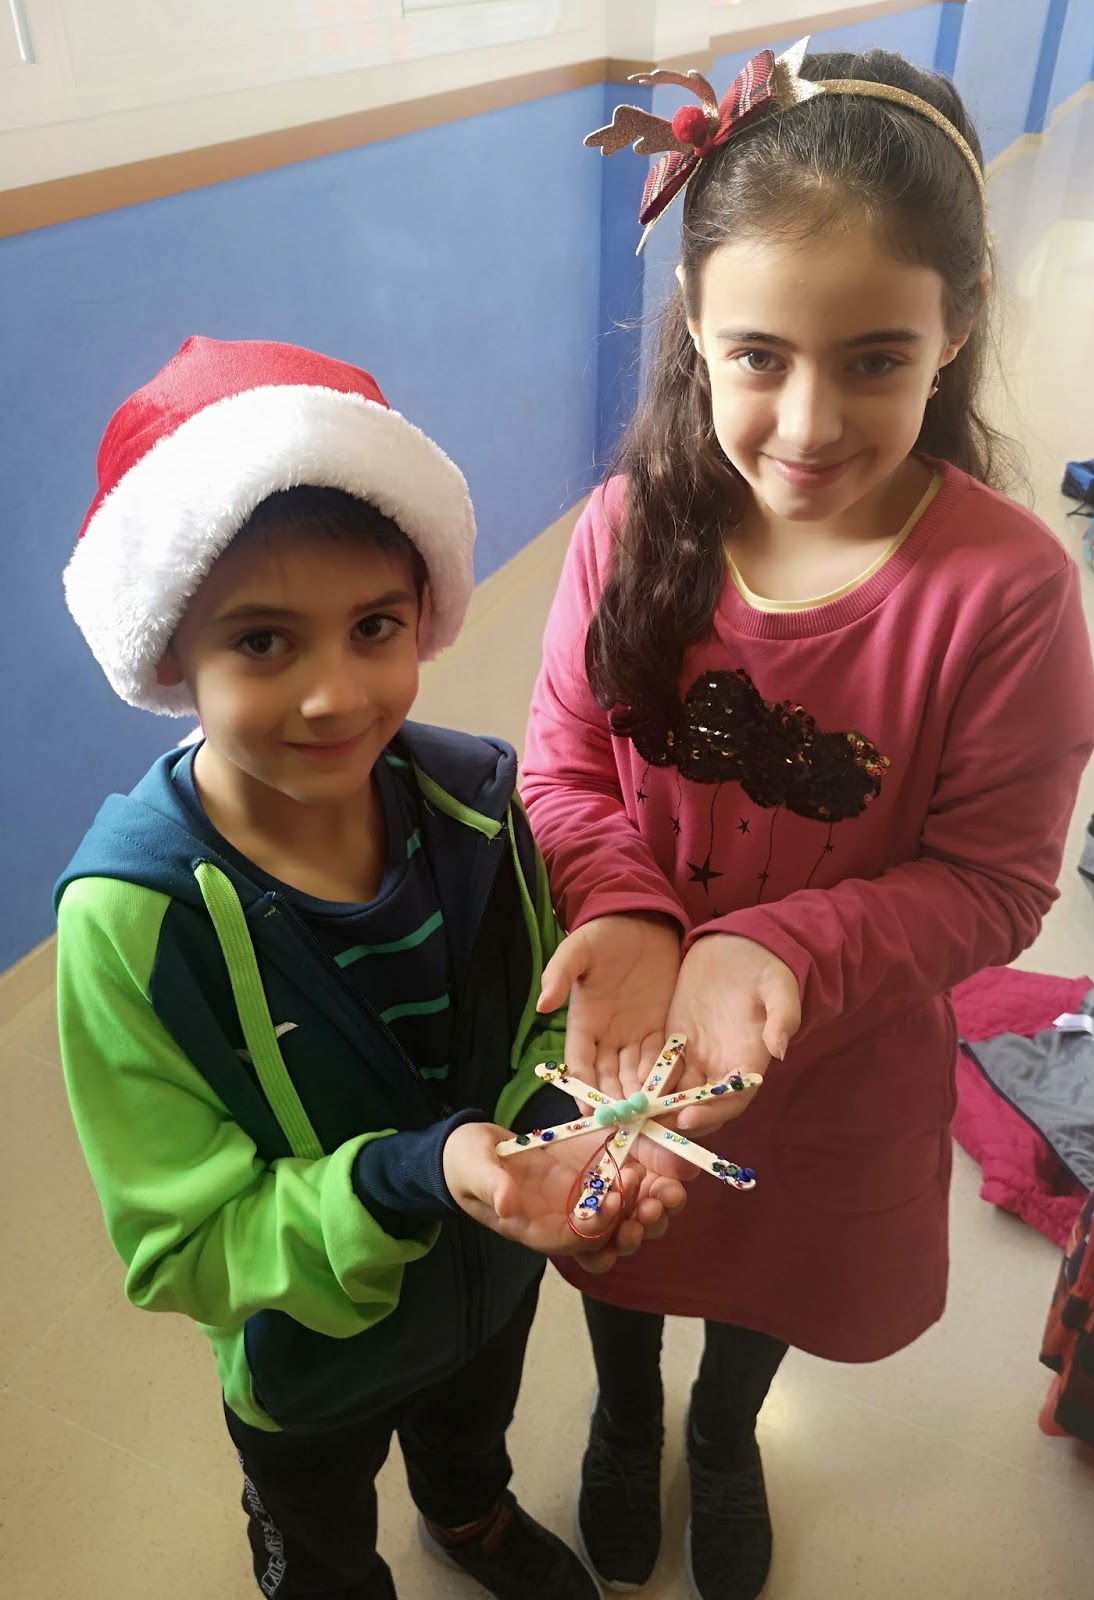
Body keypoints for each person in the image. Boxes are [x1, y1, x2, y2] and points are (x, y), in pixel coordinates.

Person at [522, 40, 1094, 1600]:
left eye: (875, 360)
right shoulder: (625, 530)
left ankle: (723, 1434)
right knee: (627, 1239)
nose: (807, 420)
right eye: (759, 356)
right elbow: (563, 770)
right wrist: (628, 911)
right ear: (694, 325)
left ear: (956, 328)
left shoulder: (1006, 593)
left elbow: (992, 879)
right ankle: (628, 1414)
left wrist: (778, 947)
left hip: (837, 1065)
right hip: (634, 1039)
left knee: (767, 1272)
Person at [54, 335, 684, 1600]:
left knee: (471, 1430)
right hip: (308, 1365)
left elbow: (534, 1036)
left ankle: (468, 1514)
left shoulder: (476, 802)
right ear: (172, 651)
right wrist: (416, 1177)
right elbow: (184, 1243)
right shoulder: (132, 921)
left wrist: (570, 1142)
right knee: (322, 1542)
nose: (336, 696)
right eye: (263, 641)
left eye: (374, 626)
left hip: (489, 1283)